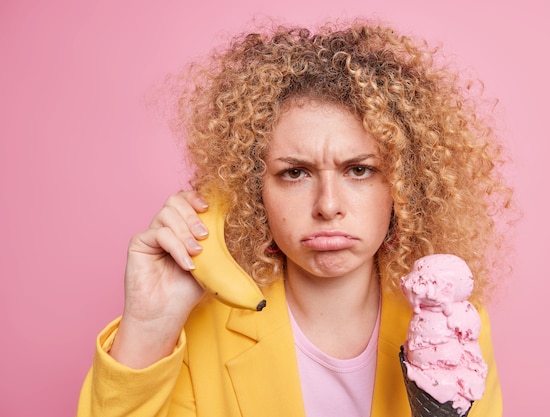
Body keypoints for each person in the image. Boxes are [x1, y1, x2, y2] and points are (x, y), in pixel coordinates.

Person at [77, 20, 513, 417]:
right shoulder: (196, 332)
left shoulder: (452, 327)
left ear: (403, 187)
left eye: (359, 170)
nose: (327, 205)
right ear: (254, 190)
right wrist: (149, 327)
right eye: (295, 173)